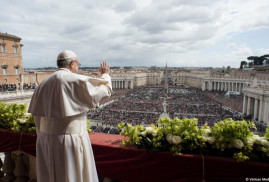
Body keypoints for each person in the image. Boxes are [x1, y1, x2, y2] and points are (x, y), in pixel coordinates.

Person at [28, 50, 112, 182]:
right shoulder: (75, 80)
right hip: (70, 141)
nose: (77, 67)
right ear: (72, 63)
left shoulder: (42, 84)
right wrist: (105, 75)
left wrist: (43, 136)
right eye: (78, 64)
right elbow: (105, 90)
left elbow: (37, 117)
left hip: (45, 140)